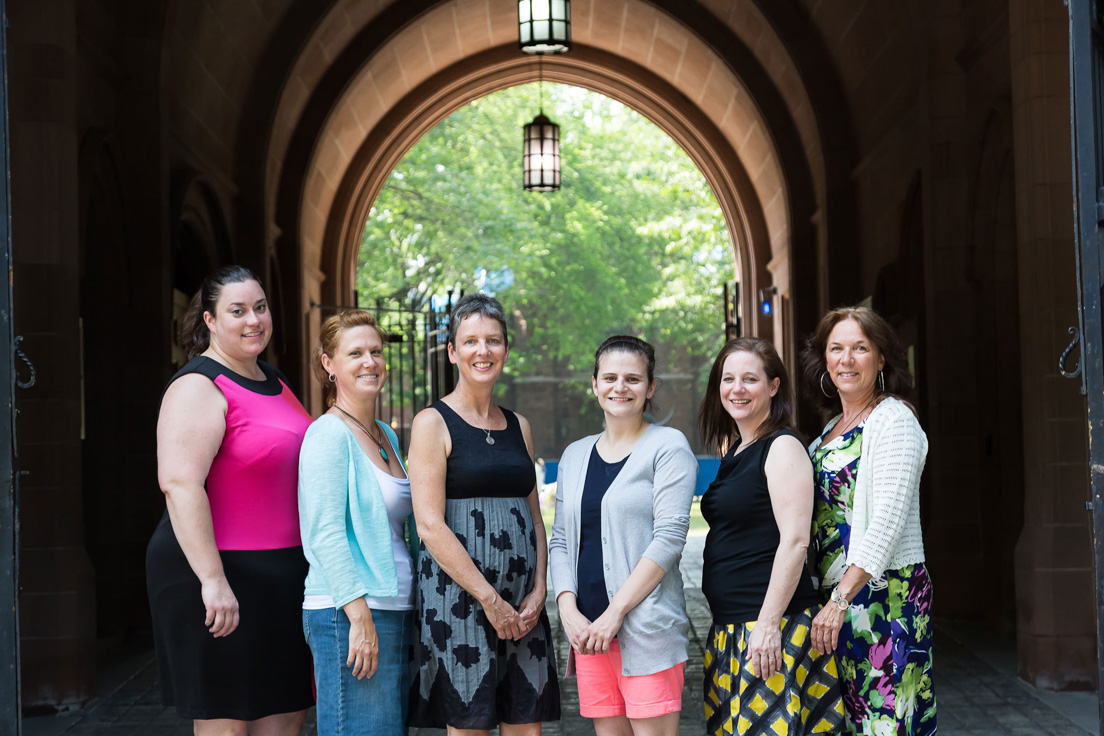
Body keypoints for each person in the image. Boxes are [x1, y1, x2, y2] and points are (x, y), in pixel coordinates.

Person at [145, 266, 313, 734]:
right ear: (210, 321)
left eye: (260, 307)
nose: (253, 320)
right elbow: (179, 484)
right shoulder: (197, 385)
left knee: (285, 712)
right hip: (216, 576)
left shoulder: (275, 379)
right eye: (237, 311)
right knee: (230, 722)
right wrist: (213, 581)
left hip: (283, 574)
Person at [407, 293, 560, 733]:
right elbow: (429, 526)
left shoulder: (520, 426)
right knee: (470, 725)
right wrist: (489, 600)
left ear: (506, 351)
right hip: (460, 602)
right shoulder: (431, 423)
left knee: (526, 723)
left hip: (523, 607)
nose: (483, 351)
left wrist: (539, 590)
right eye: (470, 341)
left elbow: (534, 520)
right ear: (453, 351)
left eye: (493, 341)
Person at [696, 337, 845, 736]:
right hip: (732, 627)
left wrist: (767, 625)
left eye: (750, 378)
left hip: (770, 627)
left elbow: (795, 541)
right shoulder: (738, 447)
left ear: (774, 386)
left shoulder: (782, 447)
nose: (737, 389)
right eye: (728, 379)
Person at [550, 336, 697, 736]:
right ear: (594, 384)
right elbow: (561, 539)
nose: (620, 387)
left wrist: (614, 615)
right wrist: (568, 611)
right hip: (589, 636)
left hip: (646, 632)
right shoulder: (575, 455)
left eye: (633, 378)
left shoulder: (668, 447)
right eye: (610, 377)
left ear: (650, 388)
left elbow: (669, 538)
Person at [802, 307, 936, 735]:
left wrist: (841, 600)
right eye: (836, 348)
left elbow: (886, 522)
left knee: (888, 722)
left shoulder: (894, 419)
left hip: (884, 594)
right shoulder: (829, 430)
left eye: (860, 348)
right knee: (850, 719)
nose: (847, 359)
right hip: (837, 600)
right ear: (824, 360)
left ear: (881, 359)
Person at [298, 310, 417, 735]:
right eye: (355, 353)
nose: (370, 361)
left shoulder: (385, 432)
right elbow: (324, 532)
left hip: (394, 607)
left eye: (376, 352)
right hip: (348, 611)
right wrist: (359, 616)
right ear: (329, 364)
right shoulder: (328, 435)